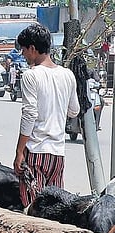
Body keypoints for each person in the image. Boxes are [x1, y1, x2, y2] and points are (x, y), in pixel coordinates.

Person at [13, 24, 80, 208]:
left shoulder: (31, 76)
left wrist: (19, 152)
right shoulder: (67, 75)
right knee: (55, 209)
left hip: (36, 152)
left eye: (24, 50)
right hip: (58, 155)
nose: (23, 55)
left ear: (33, 49)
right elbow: (74, 111)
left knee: (34, 209)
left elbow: (29, 115)